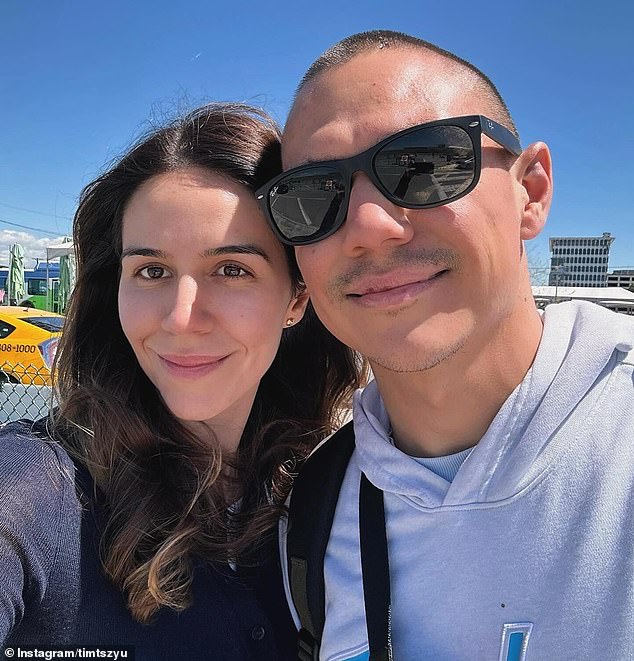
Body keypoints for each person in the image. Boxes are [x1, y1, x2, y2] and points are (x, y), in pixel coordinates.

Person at [258, 31, 634, 660]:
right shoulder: (310, 521)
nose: (370, 228)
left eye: (424, 165)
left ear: (531, 191)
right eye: (312, 197)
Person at [0, 103, 362, 660]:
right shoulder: (33, 492)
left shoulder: (323, 495)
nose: (180, 316)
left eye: (232, 269)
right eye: (152, 271)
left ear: (296, 296)